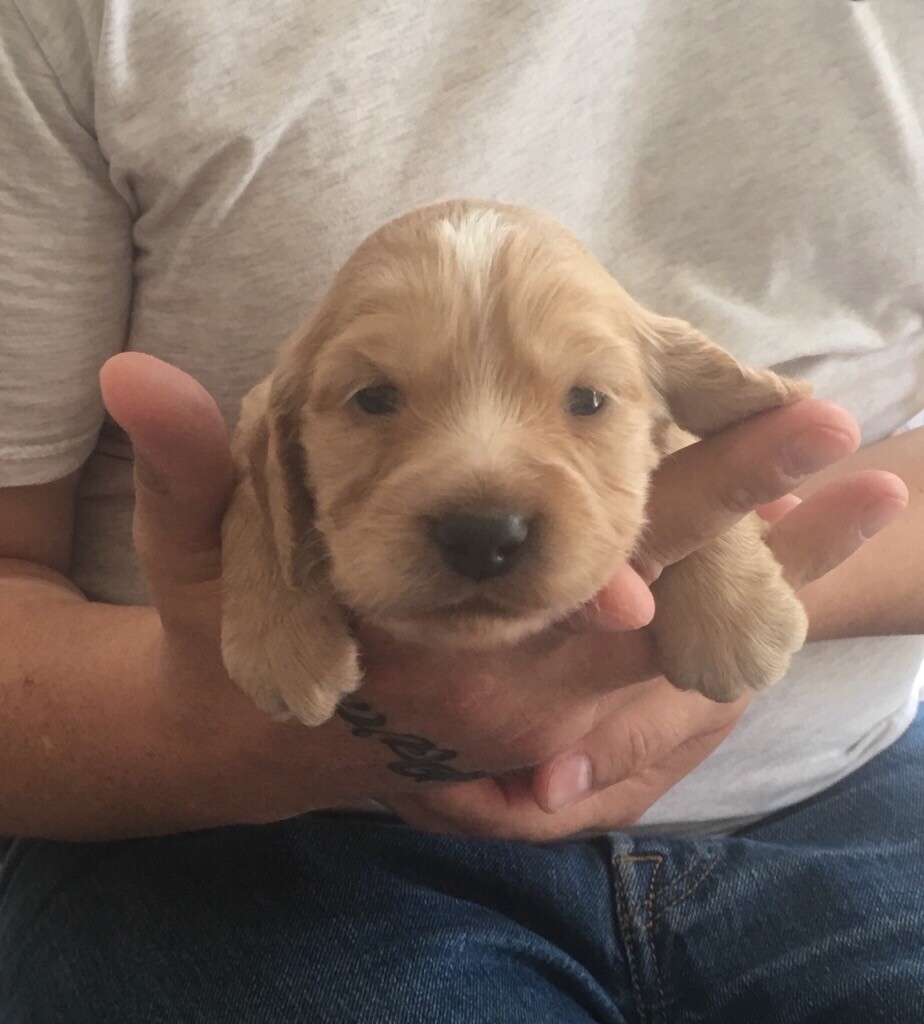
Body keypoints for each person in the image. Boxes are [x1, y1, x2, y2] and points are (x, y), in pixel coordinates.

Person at [0, 1, 921, 1020]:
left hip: (844, 796)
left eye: (584, 400)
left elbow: (704, 449)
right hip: (258, 840)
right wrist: (214, 725)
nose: (483, 504)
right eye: (375, 398)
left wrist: (730, 574)